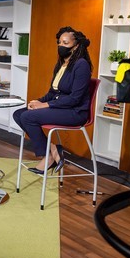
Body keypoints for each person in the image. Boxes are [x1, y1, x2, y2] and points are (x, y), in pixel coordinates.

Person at [12, 26, 93, 175]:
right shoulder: (61, 64)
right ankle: (54, 150)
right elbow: (53, 92)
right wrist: (37, 101)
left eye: (65, 43)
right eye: (59, 42)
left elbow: (75, 99)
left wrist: (44, 105)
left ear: (76, 46)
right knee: (19, 114)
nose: (61, 46)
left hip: (75, 112)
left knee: (28, 117)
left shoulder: (81, 65)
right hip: (60, 107)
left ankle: (49, 157)